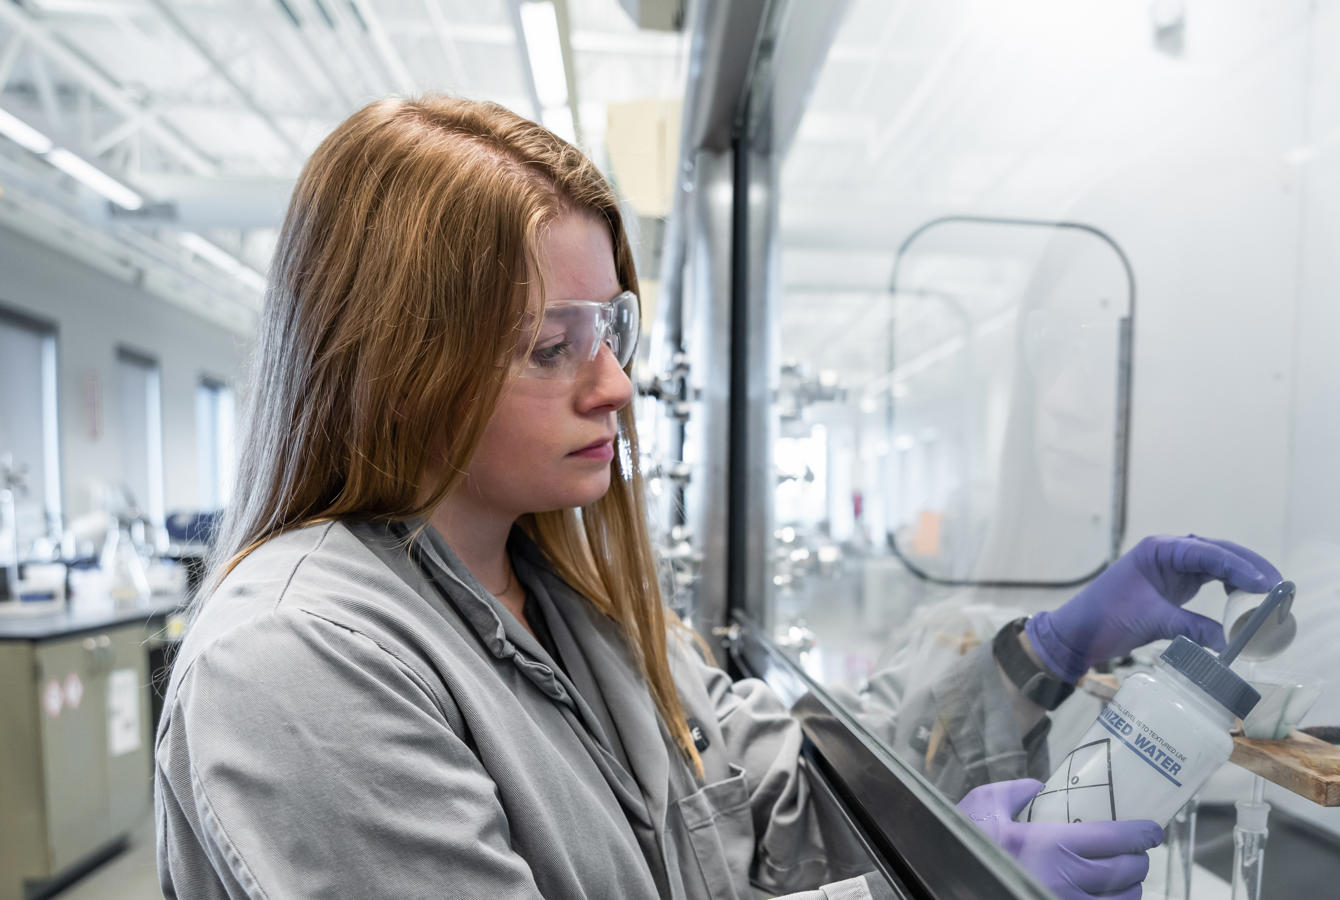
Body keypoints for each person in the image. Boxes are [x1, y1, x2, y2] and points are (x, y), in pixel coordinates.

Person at [153, 96, 1282, 900]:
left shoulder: (574, 600)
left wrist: (1037, 652)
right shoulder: (299, 662)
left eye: (614, 334)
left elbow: (786, 805)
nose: (614, 386)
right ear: (393, 359)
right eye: (552, 345)